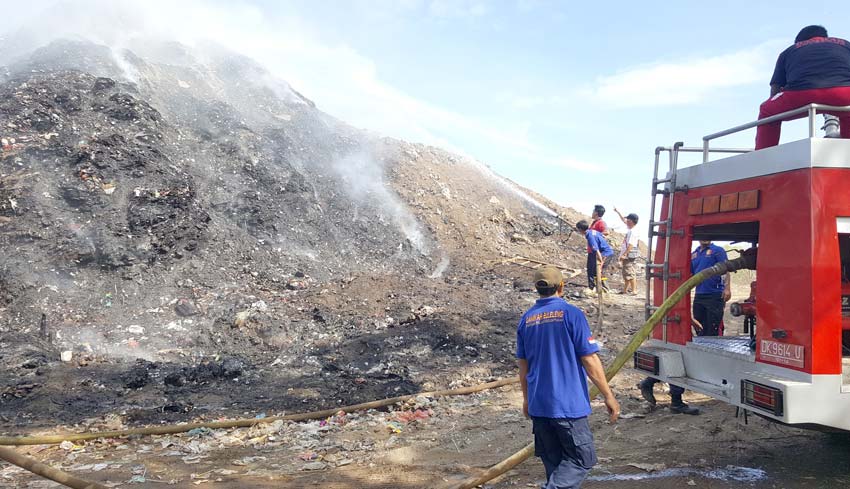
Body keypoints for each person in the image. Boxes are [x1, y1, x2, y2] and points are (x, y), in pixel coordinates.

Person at [517, 266, 620, 488]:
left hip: (539, 405)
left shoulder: (526, 320)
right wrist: (608, 396)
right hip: (566, 405)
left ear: (537, 289)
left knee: (555, 465)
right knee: (581, 459)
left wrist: (526, 400)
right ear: (562, 286)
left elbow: (523, 367)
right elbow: (590, 360)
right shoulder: (571, 314)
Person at [638, 240, 731, 415]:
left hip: (712, 298)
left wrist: (727, 288)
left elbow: (725, 271)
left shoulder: (716, 251)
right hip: (695, 301)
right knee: (695, 345)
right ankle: (667, 394)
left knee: (706, 339)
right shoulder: (694, 255)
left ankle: (661, 389)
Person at [755, 25, 850, 149]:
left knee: (767, 111)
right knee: (848, 112)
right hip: (843, 94)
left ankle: (764, 156)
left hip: (801, 93)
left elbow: (775, 88)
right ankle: (846, 152)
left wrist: (778, 104)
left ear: (800, 41)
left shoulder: (789, 51)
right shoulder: (846, 45)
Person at [577, 220, 614, 294]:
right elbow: (601, 235)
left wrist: (601, 260)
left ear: (580, 230)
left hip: (604, 253)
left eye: (578, 230)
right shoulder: (592, 231)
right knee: (595, 271)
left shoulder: (589, 236)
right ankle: (598, 289)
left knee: (599, 271)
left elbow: (596, 249)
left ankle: (604, 290)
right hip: (606, 252)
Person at [613, 208, 640, 295]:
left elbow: (631, 245)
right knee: (626, 272)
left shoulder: (633, 232)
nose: (626, 221)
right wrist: (618, 212)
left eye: (628, 219)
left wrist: (624, 254)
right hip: (628, 253)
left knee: (629, 272)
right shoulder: (631, 229)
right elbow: (623, 220)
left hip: (629, 254)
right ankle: (625, 290)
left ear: (631, 221)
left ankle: (634, 290)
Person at [583, 206, 608, 291]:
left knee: (596, 270)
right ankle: (593, 287)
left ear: (596, 213)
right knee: (591, 270)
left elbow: (606, 232)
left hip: (596, 251)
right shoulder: (594, 223)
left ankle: (601, 288)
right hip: (592, 250)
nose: (592, 212)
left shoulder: (601, 223)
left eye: (593, 211)